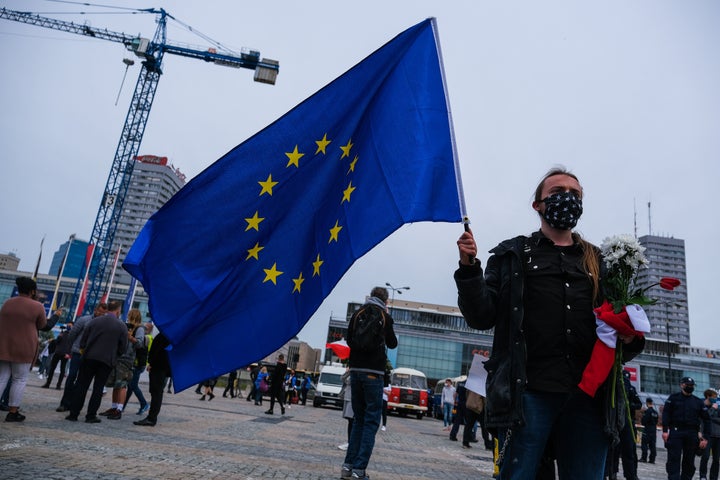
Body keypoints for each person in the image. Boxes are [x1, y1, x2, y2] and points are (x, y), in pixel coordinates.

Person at [454, 167, 645, 479]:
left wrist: (631, 338)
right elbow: (481, 316)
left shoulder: (600, 261)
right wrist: (468, 268)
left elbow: (620, 331)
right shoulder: (512, 255)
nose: (567, 198)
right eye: (557, 192)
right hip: (528, 394)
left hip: (589, 397)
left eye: (575, 194)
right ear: (538, 205)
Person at [340, 286, 397, 480]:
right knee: (372, 421)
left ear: (371, 296)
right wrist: (387, 320)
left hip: (355, 371)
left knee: (358, 419)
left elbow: (349, 340)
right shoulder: (384, 316)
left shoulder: (357, 314)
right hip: (374, 373)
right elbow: (393, 343)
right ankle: (359, 470)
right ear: (386, 301)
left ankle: (347, 467)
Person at [0, 276, 62, 422]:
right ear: (32, 291)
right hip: (24, 347)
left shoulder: (8, 303)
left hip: (4, 345)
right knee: (19, 379)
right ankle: (13, 411)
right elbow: (44, 326)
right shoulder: (37, 306)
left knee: (2, 378)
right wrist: (56, 316)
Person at [65, 300, 128, 423]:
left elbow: (83, 341)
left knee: (81, 386)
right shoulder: (121, 326)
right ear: (118, 311)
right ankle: (91, 415)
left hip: (89, 357)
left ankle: (74, 414)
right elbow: (123, 347)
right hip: (106, 361)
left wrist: (85, 350)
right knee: (98, 388)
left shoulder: (94, 321)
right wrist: (115, 355)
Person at [57, 302, 108, 412]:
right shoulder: (84, 320)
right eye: (100, 312)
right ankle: (64, 402)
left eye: (104, 313)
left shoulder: (103, 324)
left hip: (90, 356)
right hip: (77, 352)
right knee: (72, 376)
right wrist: (71, 348)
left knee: (81, 380)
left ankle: (72, 402)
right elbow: (72, 334)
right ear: (95, 310)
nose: (101, 314)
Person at [662, 377, 711, 480]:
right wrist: (665, 431)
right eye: (687, 385)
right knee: (673, 459)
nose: (689, 387)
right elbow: (666, 414)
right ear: (681, 385)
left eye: (691, 385)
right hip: (676, 432)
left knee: (689, 461)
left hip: (692, 434)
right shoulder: (673, 398)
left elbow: (707, 420)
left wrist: (705, 438)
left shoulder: (698, 402)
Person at [134, 331, 171, 427]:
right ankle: (152, 417)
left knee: (156, 392)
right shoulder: (166, 334)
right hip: (160, 366)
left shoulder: (166, 334)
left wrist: (152, 363)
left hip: (159, 367)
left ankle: (151, 418)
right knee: (156, 392)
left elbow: (160, 352)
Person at [122, 309, 149, 415]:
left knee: (133, 385)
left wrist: (130, 338)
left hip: (137, 362)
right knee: (130, 385)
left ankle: (144, 403)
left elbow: (139, 344)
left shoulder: (140, 329)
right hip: (133, 361)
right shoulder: (131, 328)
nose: (128, 317)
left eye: (129, 315)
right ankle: (122, 406)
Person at [42, 324, 72, 390]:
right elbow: (57, 342)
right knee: (54, 369)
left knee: (61, 370)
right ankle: (49, 384)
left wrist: (69, 354)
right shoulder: (64, 334)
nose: (68, 327)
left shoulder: (71, 335)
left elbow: (71, 345)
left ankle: (57, 385)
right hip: (59, 353)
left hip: (63, 354)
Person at [699, 389, 719, 480]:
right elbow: (705, 416)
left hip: (718, 436)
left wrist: (711, 419)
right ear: (708, 396)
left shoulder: (718, 407)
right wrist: (712, 409)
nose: (715, 399)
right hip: (707, 435)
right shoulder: (703, 406)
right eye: (714, 397)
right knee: (705, 457)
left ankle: (713, 477)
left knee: (716, 459)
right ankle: (703, 476)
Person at [640, 397, 659, 464]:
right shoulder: (655, 412)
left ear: (647, 403)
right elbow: (656, 421)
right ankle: (652, 459)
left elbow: (644, 421)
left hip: (647, 429)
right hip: (653, 430)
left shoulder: (647, 411)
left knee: (644, 444)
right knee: (652, 445)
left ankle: (644, 458)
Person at [338, 367, 353, 451]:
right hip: (347, 397)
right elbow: (342, 378)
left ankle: (351, 442)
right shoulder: (351, 372)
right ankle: (349, 441)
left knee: (352, 420)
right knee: (349, 420)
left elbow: (349, 381)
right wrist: (347, 371)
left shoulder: (356, 373)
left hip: (353, 399)